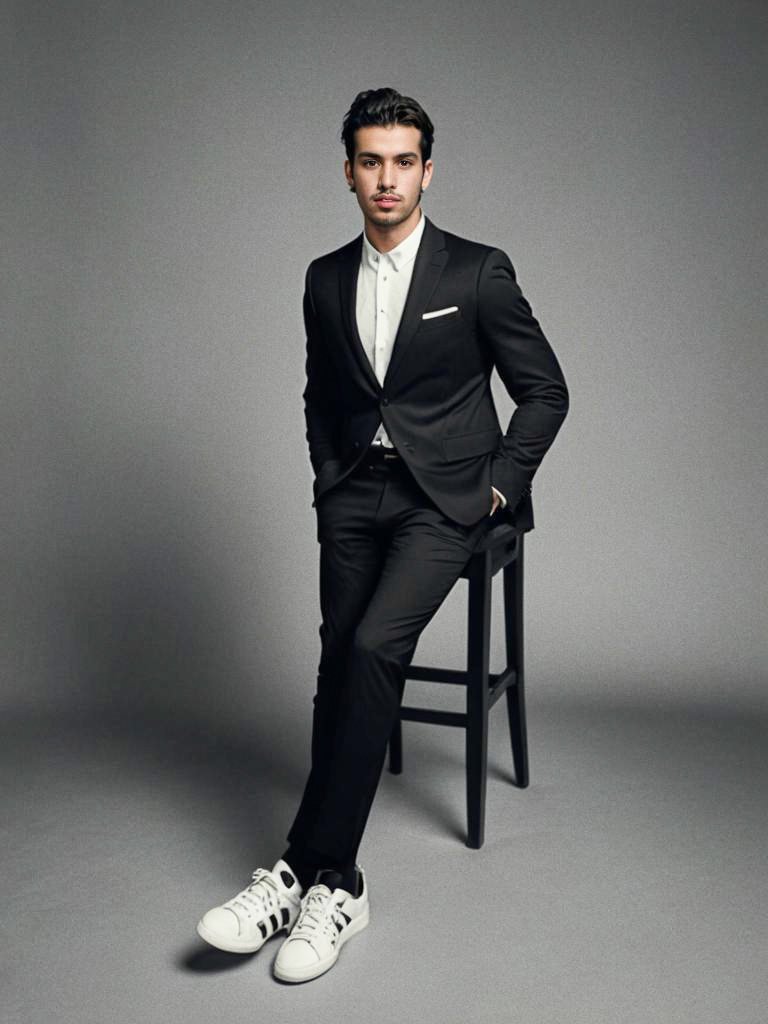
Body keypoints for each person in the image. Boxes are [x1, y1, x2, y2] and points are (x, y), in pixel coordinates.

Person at [195, 87, 569, 984]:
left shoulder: (476, 272)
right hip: (356, 492)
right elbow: (322, 394)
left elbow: (546, 390)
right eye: (370, 161)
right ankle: (310, 881)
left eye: (404, 161)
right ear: (349, 172)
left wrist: (497, 489)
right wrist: (328, 483)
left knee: (369, 647)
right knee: (339, 658)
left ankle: (324, 878)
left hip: (448, 500)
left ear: (427, 170)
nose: (387, 178)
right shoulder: (324, 278)